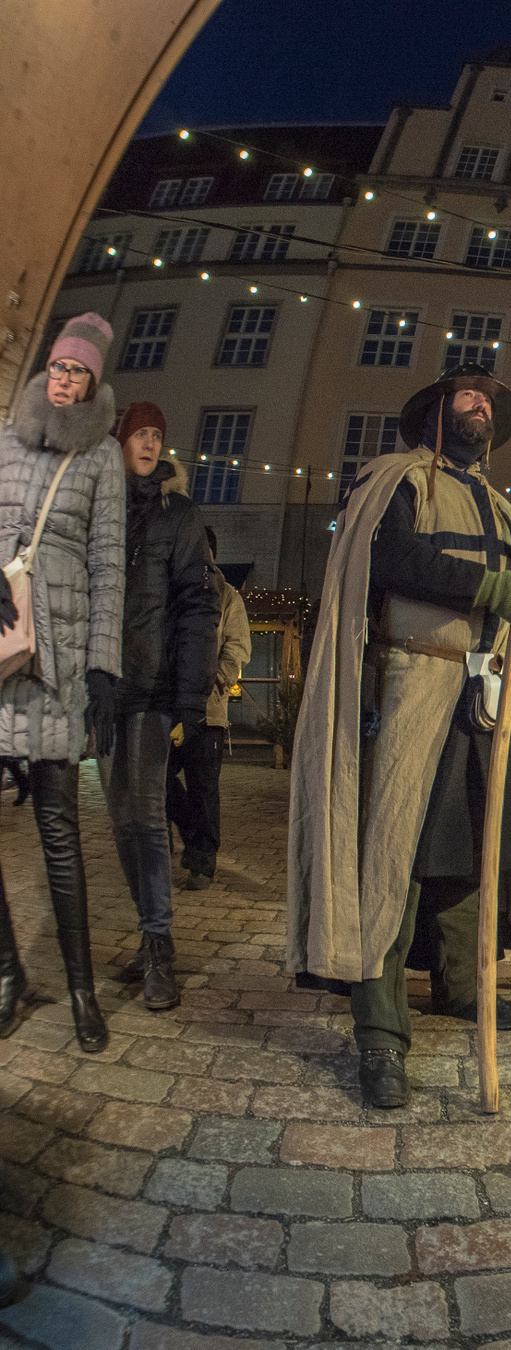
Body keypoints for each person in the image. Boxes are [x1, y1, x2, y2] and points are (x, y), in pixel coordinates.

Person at [286, 363, 511, 1109]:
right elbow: (395, 558)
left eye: (487, 399)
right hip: (415, 682)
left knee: (470, 844)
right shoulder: (396, 480)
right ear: (435, 410)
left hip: (486, 693)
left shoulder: (500, 504)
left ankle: (460, 985)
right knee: (394, 850)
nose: (480, 404)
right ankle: (381, 1030)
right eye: (467, 395)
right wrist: (499, 585)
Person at [0, 314, 127, 1051]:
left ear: (91, 382)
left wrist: (103, 665)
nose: (62, 378)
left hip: (59, 655)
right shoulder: (6, 439)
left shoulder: (101, 455)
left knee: (57, 825)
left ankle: (81, 990)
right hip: (0, 645)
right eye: (57, 366)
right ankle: (8, 972)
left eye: (76, 371)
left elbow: (108, 563)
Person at [102, 401, 218, 1012]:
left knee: (147, 816)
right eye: (139, 434)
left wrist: (190, 695)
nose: (149, 443)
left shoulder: (180, 515)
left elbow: (199, 605)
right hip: (104, 690)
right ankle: (148, 936)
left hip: (152, 688)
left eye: (157, 435)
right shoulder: (101, 509)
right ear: (119, 441)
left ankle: (160, 946)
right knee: (121, 819)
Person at [166, 526, 251, 892]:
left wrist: (214, 684)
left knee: (203, 790)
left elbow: (236, 648)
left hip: (208, 711)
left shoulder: (228, 596)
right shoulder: (172, 590)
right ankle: (191, 834)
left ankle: (202, 861)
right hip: (169, 707)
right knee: (158, 779)